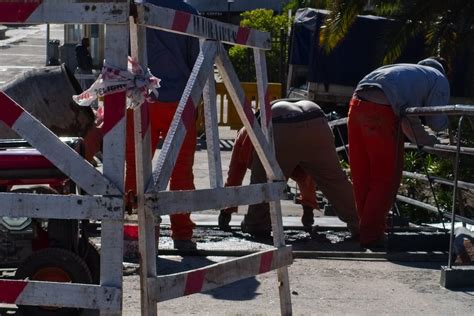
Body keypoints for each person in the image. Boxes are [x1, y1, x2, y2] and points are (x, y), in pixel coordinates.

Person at [348, 57, 450, 249]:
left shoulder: (405, 73)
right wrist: (443, 141)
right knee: (385, 177)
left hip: (356, 105)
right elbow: (437, 121)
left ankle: (365, 230)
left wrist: (426, 141)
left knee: (363, 174)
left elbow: (409, 124)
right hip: (382, 110)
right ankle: (372, 236)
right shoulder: (438, 78)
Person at [125, 0, 200, 250]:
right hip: (180, 101)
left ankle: (136, 232)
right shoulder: (188, 13)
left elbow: (124, 55)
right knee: (180, 171)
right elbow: (196, 62)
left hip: (141, 100)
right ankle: (182, 234)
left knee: (137, 170)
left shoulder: (134, 10)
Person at [239, 100, 360, 239]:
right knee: (336, 182)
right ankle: (361, 223)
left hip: (281, 125)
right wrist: (308, 213)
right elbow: (308, 179)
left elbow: (237, 172)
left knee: (263, 182)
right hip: (317, 119)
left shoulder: (246, 135)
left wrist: (230, 213)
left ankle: (257, 225)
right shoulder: (272, 111)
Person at [218, 124, 320, 233]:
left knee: (260, 185)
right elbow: (306, 177)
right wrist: (308, 212)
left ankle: (254, 223)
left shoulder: (248, 135)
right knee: (262, 184)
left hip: (266, 135)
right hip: (267, 136)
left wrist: (226, 211)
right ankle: (255, 223)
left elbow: (234, 175)